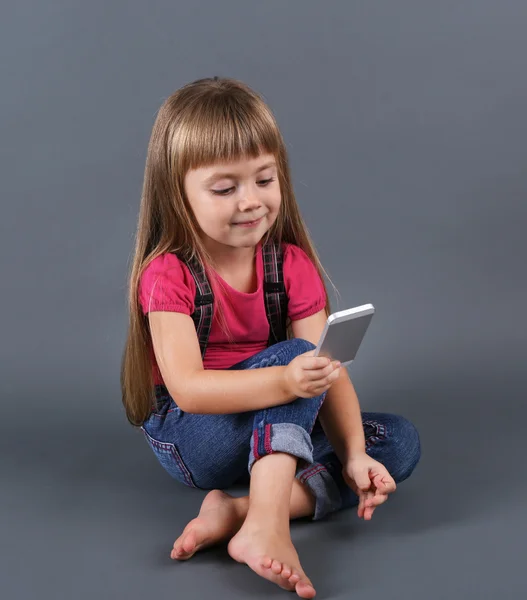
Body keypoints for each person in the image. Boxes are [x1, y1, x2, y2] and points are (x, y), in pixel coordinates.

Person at [120, 76, 421, 599]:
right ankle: (265, 525)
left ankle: (237, 510)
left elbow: (326, 370)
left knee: (395, 442)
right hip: (196, 436)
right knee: (295, 359)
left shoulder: (293, 266)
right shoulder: (168, 274)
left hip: (272, 427)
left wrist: (352, 453)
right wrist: (287, 378)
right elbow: (189, 389)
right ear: (178, 194)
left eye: (264, 179)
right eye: (224, 188)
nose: (251, 201)